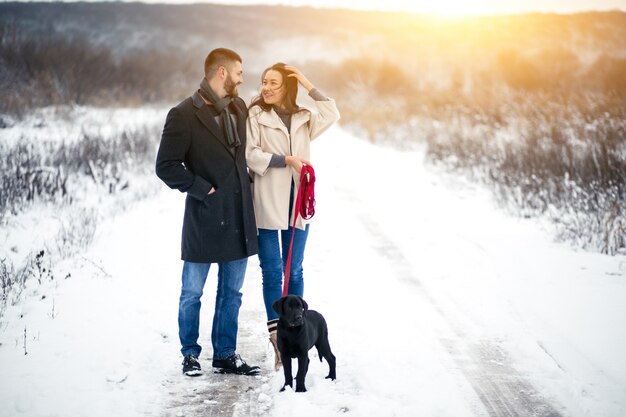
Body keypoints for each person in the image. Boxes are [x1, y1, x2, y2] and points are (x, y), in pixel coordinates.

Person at [156, 48, 260, 377]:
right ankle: (190, 354)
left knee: (232, 292)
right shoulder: (183, 114)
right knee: (192, 292)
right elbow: (166, 166)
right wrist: (203, 188)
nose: (243, 78)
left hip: (240, 214)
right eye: (239, 72)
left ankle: (225, 354)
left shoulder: (240, 107)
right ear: (221, 73)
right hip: (205, 214)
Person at [246, 63, 340, 370]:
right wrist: (285, 159)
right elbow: (250, 154)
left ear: (287, 86)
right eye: (264, 82)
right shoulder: (255, 114)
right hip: (267, 199)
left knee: (295, 270)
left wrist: (306, 82)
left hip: (298, 202)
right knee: (272, 270)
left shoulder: (303, 117)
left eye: (274, 82)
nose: (266, 88)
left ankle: (296, 333)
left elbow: (332, 113)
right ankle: (277, 341)